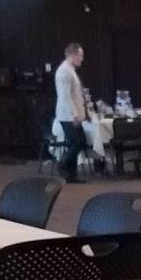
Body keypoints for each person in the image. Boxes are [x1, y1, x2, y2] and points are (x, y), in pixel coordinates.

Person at [55, 42, 87, 183]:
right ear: (72, 55)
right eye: (80, 55)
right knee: (78, 142)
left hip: (71, 115)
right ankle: (62, 164)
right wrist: (74, 114)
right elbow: (65, 97)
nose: (82, 59)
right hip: (68, 115)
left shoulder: (70, 70)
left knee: (76, 142)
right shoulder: (64, 72)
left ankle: (71, 175)